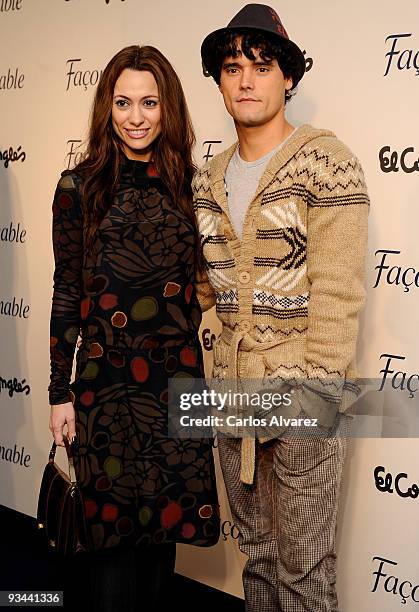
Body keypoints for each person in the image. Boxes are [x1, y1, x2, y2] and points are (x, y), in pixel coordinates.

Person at [193, 4, 369, 611]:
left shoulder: (327, 162)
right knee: (258, 562)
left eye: (262, 66)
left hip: (300, 402)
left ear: (288, 77)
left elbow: (340, 290)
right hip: (233, 400)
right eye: (233, 66)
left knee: (303, 574)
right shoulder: (206, 179)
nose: (246, 80)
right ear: (218, 81)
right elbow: (205, 288)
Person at [48, 44, 219, 612]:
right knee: (111, 555)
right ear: (107, 107)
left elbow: (207, 285)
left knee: (159, 547)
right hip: (103, 389)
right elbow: (68, 293)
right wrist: (59, 393)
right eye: (123, 102)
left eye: (149, 102)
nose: (137, 116)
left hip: (177, 385)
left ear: (168, 108)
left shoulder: (192, 192)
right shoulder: (78, 189)